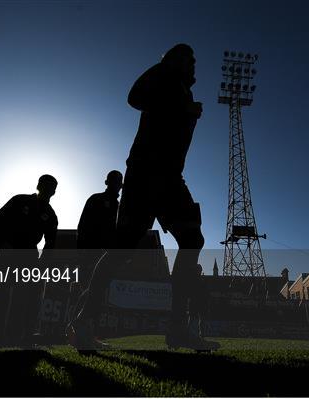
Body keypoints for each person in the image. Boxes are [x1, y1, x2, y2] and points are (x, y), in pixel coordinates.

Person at [69, 44, 219, 351]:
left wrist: (187, 109)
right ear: (173, 62)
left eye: (194, 61)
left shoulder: (181, 90)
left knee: (192, 240)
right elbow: (133, 97)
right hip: (145, 175)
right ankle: (84, 323)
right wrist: (164, 69)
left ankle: (177, 328)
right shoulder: (163, 80)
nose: (193, 66)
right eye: (187, 60)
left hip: (171, 179)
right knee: (120, 251)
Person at [0, 174, 58, 346]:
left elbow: (50, 242)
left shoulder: (50, 214)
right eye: (45, 184)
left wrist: (42, 262)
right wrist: (3, 243)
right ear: (38, 185)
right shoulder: (19, 200)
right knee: (1, 293)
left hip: (29, 257)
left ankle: (22, 337)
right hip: (8, 252)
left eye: (51, 187)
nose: (47, 189)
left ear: (54, 191)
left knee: (26, 297)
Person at [69, 170, 123, 325]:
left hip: (106, 254)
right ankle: (76, 327)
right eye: (113, 180)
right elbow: (82, 226)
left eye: (118, 181)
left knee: (98, 291)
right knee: (89, 289)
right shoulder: (96, 199)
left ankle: (86, 330)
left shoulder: (119, 206)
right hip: (89, 251)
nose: (116, 184)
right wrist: (82, 252)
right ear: (107, 182)